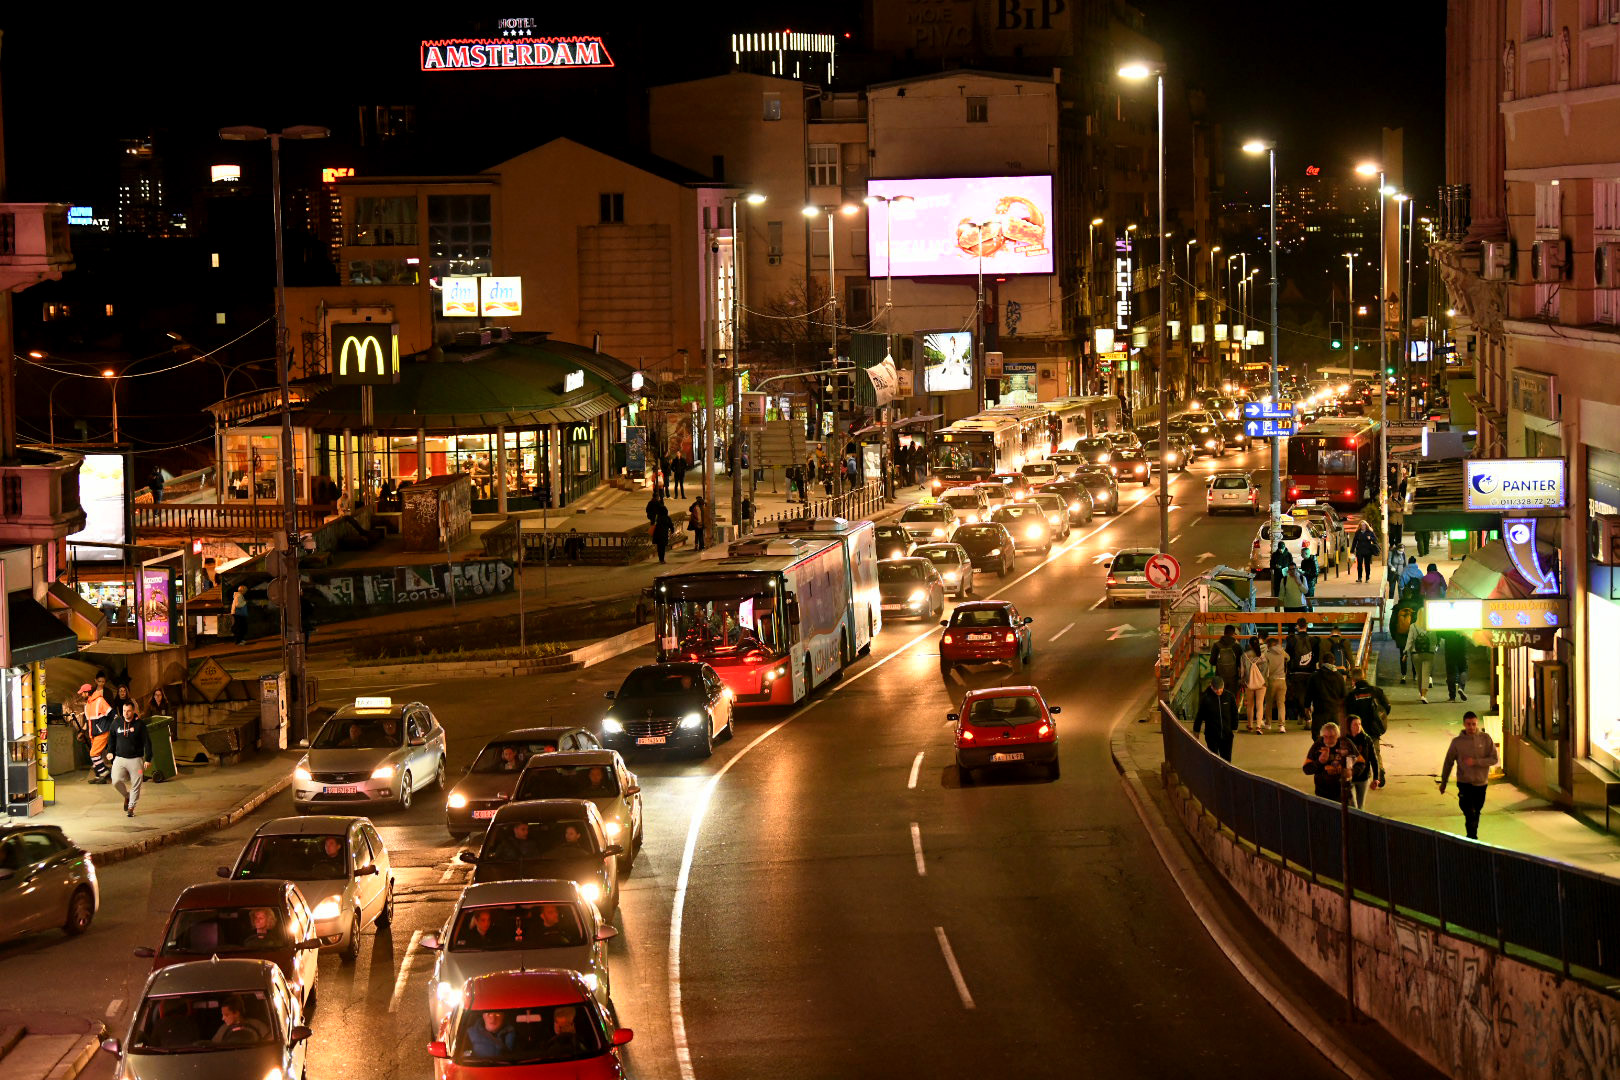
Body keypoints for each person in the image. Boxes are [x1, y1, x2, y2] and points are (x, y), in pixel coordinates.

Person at [1439, 711, 1499, 840]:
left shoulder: (1485, 739)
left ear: (1477, 724)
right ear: (1464, 724)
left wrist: (1476, 762)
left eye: (1473, 724)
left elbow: (1494, 759)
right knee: (1468, 810)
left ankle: (1472, 836)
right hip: (1464, 782)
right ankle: (1472, 837)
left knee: (1476, 811)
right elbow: (1448, 762)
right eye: (1468, 724)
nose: (1471, 727)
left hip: (1481, 783)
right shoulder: (1457, 742)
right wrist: (1444, 781)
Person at [109, 703, 152, 817]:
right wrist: (110, 751)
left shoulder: (140, 724)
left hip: (136, 759)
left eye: (128, 711)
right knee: (115, 781)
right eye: (124, 711)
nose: (126, 713)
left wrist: (148, 758)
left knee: (136, 783)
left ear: (133, 711)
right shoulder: (116, 722)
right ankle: (127, 796)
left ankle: (131, 808)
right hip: (120, 758)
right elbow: (111, 737)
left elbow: (147, 742)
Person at [1301, 721, 1360, 801]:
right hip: (1322, 793)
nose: (1328, 740)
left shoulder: (1346, 743)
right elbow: (1306, 769)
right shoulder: (1317, 746)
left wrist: (1352, 772)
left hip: (1344, 792)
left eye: (1331, 737)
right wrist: (1320, 762)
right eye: (1325, 737)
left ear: (1338, 736)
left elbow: (1361, 762)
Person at [1193, 676, 1239, 762]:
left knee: (1226, 760)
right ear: (1211, 687)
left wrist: (1234, 727)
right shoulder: (1206, 698)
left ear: (1223, 686)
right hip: (1211, 735)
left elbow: (1234, 713)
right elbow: (1200, 716)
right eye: (1216, 689)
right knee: (1214, 760)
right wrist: (1196, 730)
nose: (1218, 691)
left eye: (1220, 688)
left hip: (1227, 735)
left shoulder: (1229, 697)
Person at [1345, 715, 1384, 809]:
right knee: (1352, 805)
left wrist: (1376, 778)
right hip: (1349, 778)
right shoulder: (1344, 740)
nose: (1358, 726)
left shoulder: (1366, 739)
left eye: (1359, 724)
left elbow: (1373, 759)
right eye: (1355, 724)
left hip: (1363, 777)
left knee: (1360, 806)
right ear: (1349, 726)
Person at [1309, 660, 1349, 738]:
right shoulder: (1339, 677)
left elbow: (1309, 693)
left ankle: (1321, 745)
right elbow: (1344, 695)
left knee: (1317, 735)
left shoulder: (1315, 676)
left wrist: (1307, 706)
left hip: (1320, 712)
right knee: (1335, 736)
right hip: (1334, 712)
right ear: (1334, 662)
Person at [1404, 613, 1439, 704]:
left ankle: (1421, 694)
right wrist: (1434, 649)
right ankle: (1424, 695)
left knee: (1419, 675)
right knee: (1426, 675)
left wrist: (1405, 652)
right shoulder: (1431, 625)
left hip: (1416, 653)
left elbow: (1409, 640)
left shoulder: (1413, 626)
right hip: (1429, 653)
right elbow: (1434, 639)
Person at [85, 676, 114, 784]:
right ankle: (99, 776)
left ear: (87, 693)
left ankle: (104, 772)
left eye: (82, 693)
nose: (81, 695)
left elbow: (111, 713)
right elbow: (89, 721)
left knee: (93, 754)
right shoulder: (88, 705)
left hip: (102, 732)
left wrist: (114, 728)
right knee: (95, 756)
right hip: (94, 733)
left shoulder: (99, 701)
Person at [1263, 635, 1290, 734]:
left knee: (1269, 703)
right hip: (1282, 680)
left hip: (1271, 680)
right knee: (1281, 704)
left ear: (1269, 645)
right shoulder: (1282, 652)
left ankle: (1268, 724)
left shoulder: (1267, 653)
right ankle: (1281, 726)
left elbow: (1264, 667)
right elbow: (1288, 658)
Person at [1241, 637, 1268, 733]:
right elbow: (1267, 670)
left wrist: (1243, 680)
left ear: (1250, 644)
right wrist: (1265, 681)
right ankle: (1258, 726)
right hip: (1261, 683)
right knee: (1260, 704)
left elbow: (1242, 671)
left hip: (1249, 683)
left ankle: (1250, 725)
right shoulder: (1263, 656)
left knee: (1250, 705)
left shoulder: (1245, 655)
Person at [1209, 625, 1244, 692]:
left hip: (1220, 677)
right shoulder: (1237, 646)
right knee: (1232, 695)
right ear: (1233, 634)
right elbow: (1240, 664)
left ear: (1224, 632)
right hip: (1233, 678)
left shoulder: (1216, 645)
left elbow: (1212, 662)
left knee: (1220, 695)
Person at [1442, 629, 1470, 701]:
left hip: (1450, 646)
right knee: (1463, 669)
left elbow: (1441, 633)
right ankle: (1461, 687)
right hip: (1462, 646)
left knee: (1451, 672)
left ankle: (1452, 696)